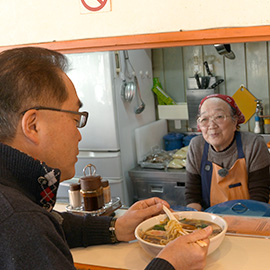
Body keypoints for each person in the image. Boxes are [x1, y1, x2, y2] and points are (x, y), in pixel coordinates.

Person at [0, 47, 212, 270]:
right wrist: (169, 264)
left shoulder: (20, 205)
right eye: (75, 118)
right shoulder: (19, 220)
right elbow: (33, 227)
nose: (79, 134)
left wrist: (116, 227)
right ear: (33, 125)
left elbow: (50, 223)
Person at [185, 94, 270, 211]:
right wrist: (195, 220)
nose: (211, 125)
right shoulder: (196, 146)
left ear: (234, 121)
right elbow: (192, 196)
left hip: (250, 217)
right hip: (211, 222)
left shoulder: (253, 144)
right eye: (204, 119)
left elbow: (259, 195)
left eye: (219, 117)